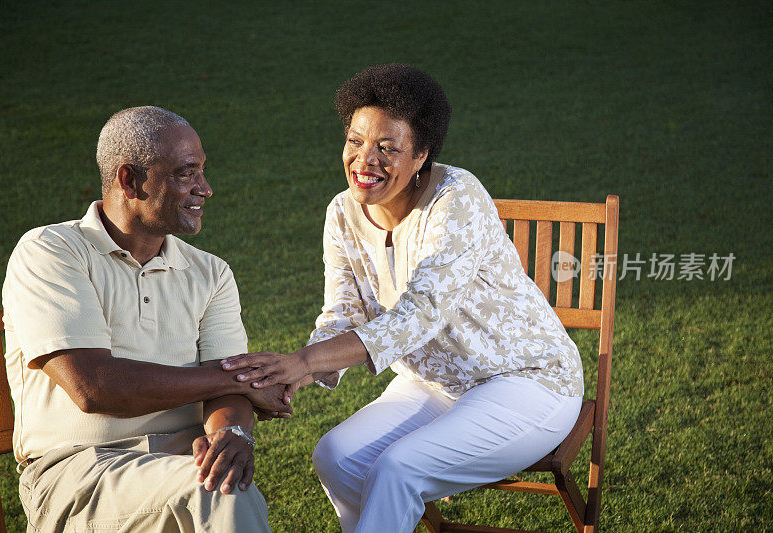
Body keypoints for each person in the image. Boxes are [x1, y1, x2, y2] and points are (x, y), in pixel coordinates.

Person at [222, 64, 585, 533]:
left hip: (526, 382)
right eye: (355, 141)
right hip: (432, 383)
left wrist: (305, 360)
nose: (364, 160)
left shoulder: (457, 198)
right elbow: (342, 315)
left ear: (421, 156)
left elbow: (420, 314)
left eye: (387, 148)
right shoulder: (342, 212)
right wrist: (291, 378)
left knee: (399, 469)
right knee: (336, 457)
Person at [2, 106, 289, 532]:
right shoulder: (50, 251)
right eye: (186, 173)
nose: (205, 188)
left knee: (222, 480)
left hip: (182, 457)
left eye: (202, 171)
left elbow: (227, 387)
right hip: (79, 470)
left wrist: (232, 435)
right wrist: (236, 380)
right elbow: (94, 387)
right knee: (217, 492)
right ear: (129, 180)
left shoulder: (212, 273)